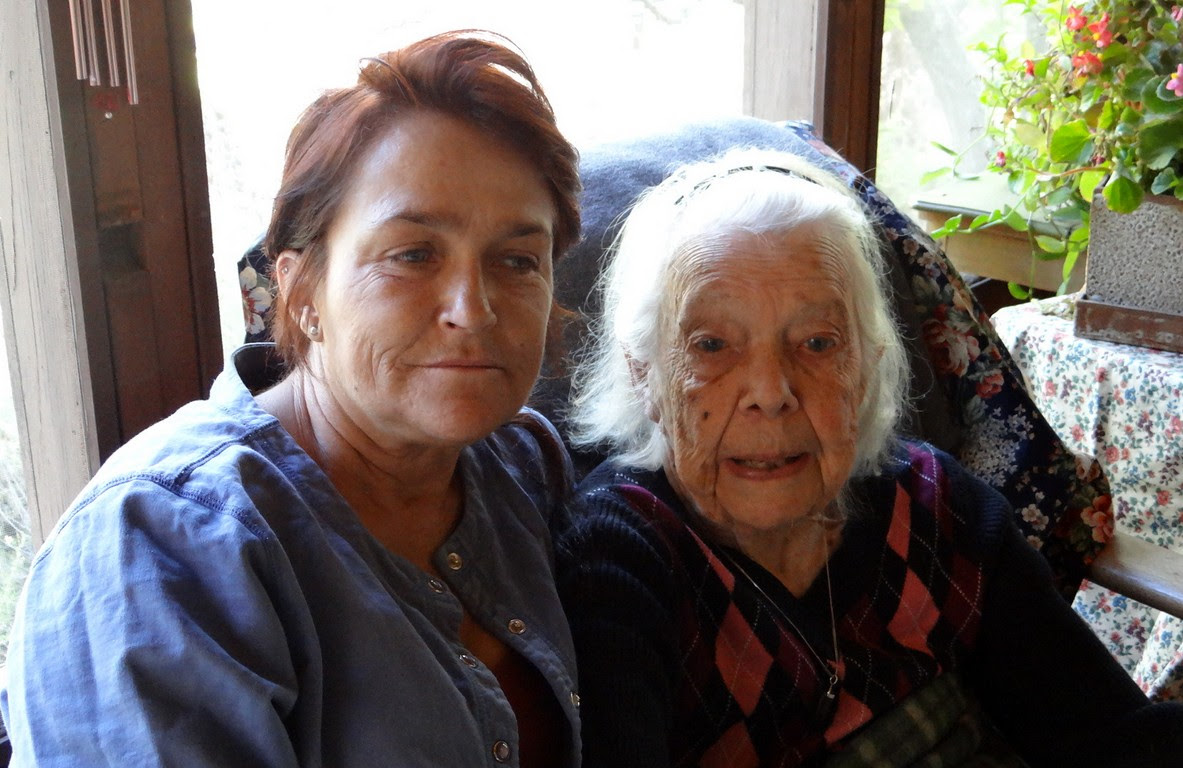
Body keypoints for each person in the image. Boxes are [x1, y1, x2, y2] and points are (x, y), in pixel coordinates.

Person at [2, 30, 583, 767]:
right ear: (302, 290)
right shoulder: (164, 542)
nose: (473, 309)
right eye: (412, 254)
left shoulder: (522, 468)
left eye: (517, 260)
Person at [555, 147, 1183, 767]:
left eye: (817, 342)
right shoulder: (619, 558)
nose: (771, 393)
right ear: (644, 373)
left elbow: (1111, 736)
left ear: (867, 366)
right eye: (712, 344)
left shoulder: (935, 506)